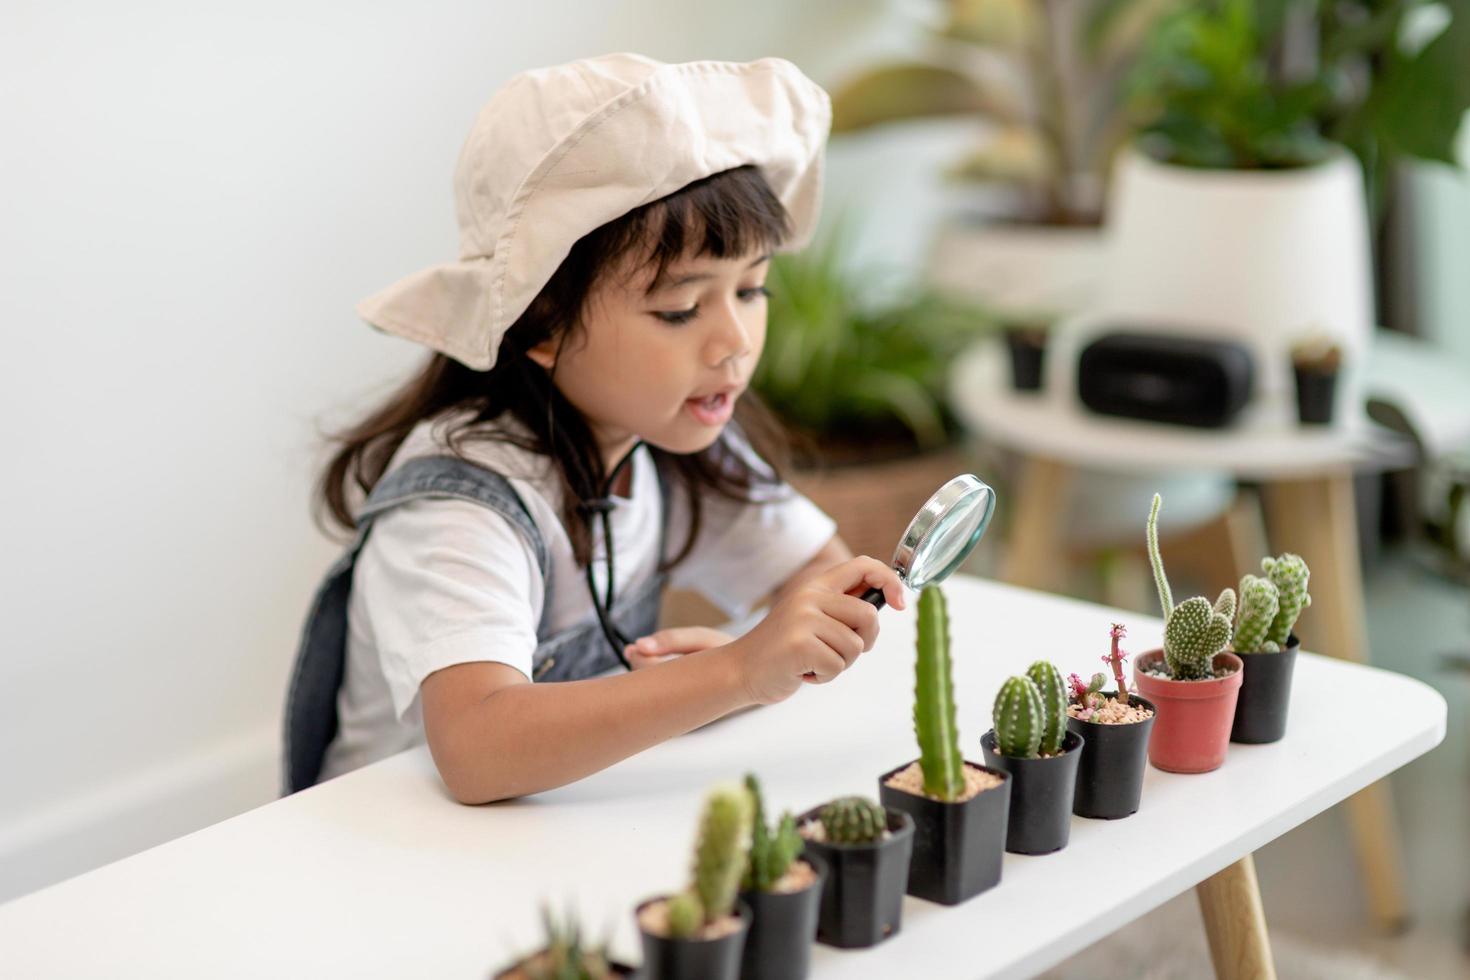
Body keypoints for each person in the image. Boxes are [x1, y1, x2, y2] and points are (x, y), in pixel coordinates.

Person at [284, 53, 906, 804]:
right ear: (541, 324)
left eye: (751, 289)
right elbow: (478, 748)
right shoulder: (460, 503)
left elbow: (822, 577)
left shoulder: (671, 434)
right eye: (680, 308)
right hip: (380, 849)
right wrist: (734, 672)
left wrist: (744, 663)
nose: (735, 340)